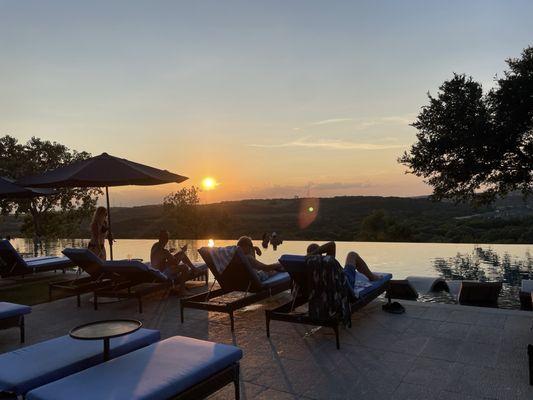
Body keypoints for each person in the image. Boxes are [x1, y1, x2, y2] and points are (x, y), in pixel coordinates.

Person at [306, 241, 379, 281]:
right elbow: (332, 244)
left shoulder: (303, 265)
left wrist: (308, 256)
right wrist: (312, 254)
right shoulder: (325, 263)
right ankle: (372, 277)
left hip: (325, 286)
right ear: (320, 253)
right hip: (344, 283)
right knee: (352, 254)